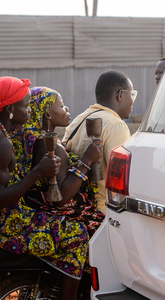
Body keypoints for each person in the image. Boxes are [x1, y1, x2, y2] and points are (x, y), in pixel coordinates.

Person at [0, 76, 88, 300]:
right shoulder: (0, 143)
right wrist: (38, 172)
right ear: (9, 109)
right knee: (78, 234)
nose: (29, 112)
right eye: (26, 106)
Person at [11, 87, 105, 237]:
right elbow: (62, 197)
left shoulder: (31, 139)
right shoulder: (51, 147)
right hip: (57, 213)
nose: (66, 108)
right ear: (47, 114)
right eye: (61, 106)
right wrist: (86, 160)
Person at [62, 70, 135, 213]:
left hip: (81, 209)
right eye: (132, 94)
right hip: (104, 211)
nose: (133, 100)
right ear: (120, 95)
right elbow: (124, 179)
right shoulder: (115, 125)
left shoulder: (79, 119)